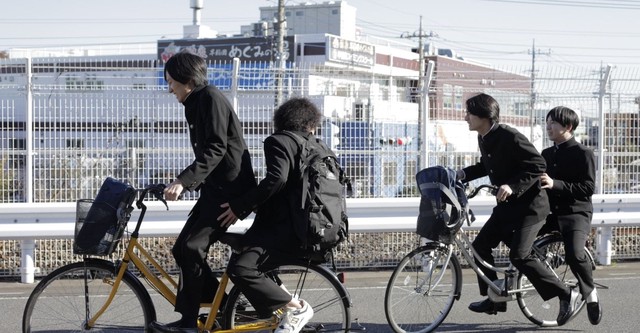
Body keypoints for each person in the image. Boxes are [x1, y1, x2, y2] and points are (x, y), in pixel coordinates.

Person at [150, 51, 257, 333]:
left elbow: (215, 148)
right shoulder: (195, 102)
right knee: (180, 247)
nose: (169, 88)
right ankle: (220, 306)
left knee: (192, 246)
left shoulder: (209, 97)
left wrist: (183, 182)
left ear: (186, 80)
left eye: (171, 81)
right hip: (215, 189)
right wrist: (183, 181)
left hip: (230, 191)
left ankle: (189, 322)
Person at [456, 93, 581, 325]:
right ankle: (495, 297)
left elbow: (538, 165)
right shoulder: (484, 138)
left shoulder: (510, 136)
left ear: (484, 115)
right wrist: (462, 174)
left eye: (470, 113)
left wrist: (512, 186)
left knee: (519, 255)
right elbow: (487, 165)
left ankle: (566, 293)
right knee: (479, 246)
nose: (466, 118)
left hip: (531, 207)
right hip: (507, 207)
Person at [216, 97, 320, 333]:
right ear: (310, 124)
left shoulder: (279, 141)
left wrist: (240, 206)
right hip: (309, 228)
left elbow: (277, 179)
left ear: (281, 119)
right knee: (247, 256)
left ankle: (296, 308)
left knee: (241, 268)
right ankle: (277, 309)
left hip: (281, 230)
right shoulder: (318, 146)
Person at [540, 106, 601, 325]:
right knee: (521, 242)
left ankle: (590, 294)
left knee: (575, 254)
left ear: (568, 126)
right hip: (551, 213)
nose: (549, 127)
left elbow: (588, 187)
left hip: (576, 213)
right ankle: (558, 282)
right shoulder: (546, 154)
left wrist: (555, 184)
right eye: (547, 122)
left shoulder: (583, 153)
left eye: (553, 123)